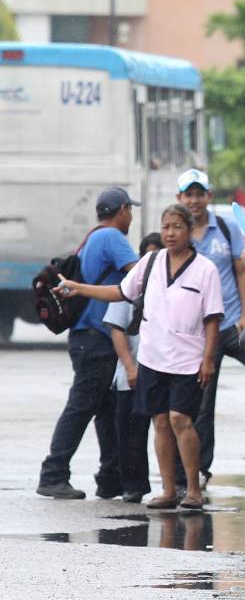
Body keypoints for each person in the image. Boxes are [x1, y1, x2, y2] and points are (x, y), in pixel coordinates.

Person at [56, 205, 224, 511]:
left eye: (177, 227)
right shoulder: (150, 263)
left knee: (180, 420)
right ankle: (168, 491)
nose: (170, 233)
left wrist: (209, 358)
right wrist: (79, 288)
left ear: (189, 231)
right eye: (166, 227)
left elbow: (213, 319)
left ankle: (194, 490)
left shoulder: (205, 270)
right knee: (160, 421)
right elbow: (119, 292)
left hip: (188, 359)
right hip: (153, 357)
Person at [36, 187, 140, 500]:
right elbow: (139, 278)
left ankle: (111, 477)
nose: (131, 217)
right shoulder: (111, 238)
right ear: (122, 210)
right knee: (81, 406)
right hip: (95, 337)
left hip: (88, 336)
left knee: (105, 409)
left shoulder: (93, 237)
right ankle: (53, 474)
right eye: (130, 211)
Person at [176, 168, 245, 488]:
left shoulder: (225, 227)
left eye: (200, 194)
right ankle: (197, 470)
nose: (194, 200)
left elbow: (241, 271)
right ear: (180, 198)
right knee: (201, 406)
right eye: (188, 194)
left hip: (233, 326)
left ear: (209, 197)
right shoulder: (177, 233)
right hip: (199, 337)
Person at [104, 232, 165, 503]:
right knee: (130, 433)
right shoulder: (130, 287)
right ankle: (133, 485)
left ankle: (177, 485)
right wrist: (130, 368)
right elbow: (117, 329)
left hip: (168, 370)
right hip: (133, 374)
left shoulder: (177, 286)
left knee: (169, 427)